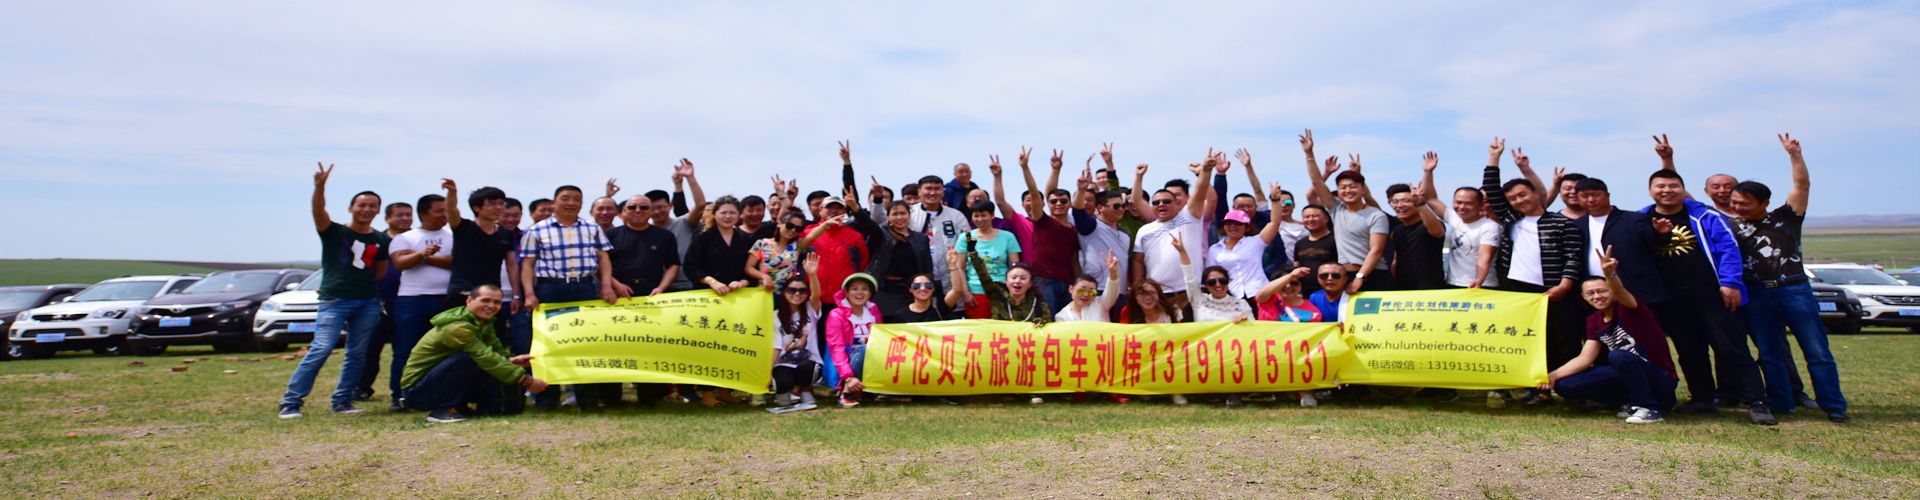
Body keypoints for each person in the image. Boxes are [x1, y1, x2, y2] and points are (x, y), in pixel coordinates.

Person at [1728, 133, 1848, 423]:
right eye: (1734, 202)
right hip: (1757, 294)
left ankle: (1833, 406)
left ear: (1764, 202)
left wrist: (1794, 155)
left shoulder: (1787, 217)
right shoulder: (1730, 225)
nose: (1738, 208)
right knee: (1770, 353)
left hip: (1794, 290)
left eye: (1744, 203)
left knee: (1817, 351)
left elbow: (1801, 186)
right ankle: (1783, 403)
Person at [1644, 167, 1772, 423]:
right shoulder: (1641, 219)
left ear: (1683, 189)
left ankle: (1757, 401)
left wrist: (1730, 283)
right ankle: (1703, 397)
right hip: (1672, 300)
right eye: (1661, 186)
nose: (1667, 191)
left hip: (1713, 295)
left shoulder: (1706, 216)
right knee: (1689, 350)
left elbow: (1728, 249)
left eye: (1673, 186)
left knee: (1731, 348)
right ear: (1650, 191)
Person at [280, 163, 389, 419]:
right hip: (335, 301)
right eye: (362, 205)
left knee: (357, 354)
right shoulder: (334, 232)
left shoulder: (381, 240)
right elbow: (318, 211)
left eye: (372, 206)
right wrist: (320, 187)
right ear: (351, 208)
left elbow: (380, 272)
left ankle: (342, 401)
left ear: (378, 210)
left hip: (367, 302)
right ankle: (291, 402)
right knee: (321, 349)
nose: (367, 209)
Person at [1481, 137, 1586, 379]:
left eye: (1523, 195)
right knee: (1528, 339)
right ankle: (1535, 386)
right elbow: (1491, 188)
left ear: (1536, 194)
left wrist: (1565, 285)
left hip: (1554, 289)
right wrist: (1494, 157)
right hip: (1518, 289)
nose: (1519, 201)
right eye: (1513, 199)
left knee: (1564, 337)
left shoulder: (1561, 222)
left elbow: (1573, 257)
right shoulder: (1511, 219)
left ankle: (1569, 385)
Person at [1540, 246, 1678, 424]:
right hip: (1626, 371)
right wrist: (1552, 376)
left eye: (1602, 291)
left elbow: (1620, 291)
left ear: (1612, 291)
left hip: (1659, 377)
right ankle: (1628, 402)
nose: (1597, 296)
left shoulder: (1629, 308)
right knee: (1565, 384)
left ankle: (1648, 407)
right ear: (1583, 297)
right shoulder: (1594, 320)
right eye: (1590, 293)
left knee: (1618, 356)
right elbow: (1585, 358)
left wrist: (1610, 274)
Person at [517, 184, 619, 411]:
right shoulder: (537, 230)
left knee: (586, 343)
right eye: (565, 198)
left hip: (584, 288)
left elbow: (603, 259)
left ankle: (587, 400)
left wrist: (606, 285)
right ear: (554, 202)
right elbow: (528, 265)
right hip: (549, 289)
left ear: (582, 204)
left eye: (576, 199)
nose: (571, 203)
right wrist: (529, 293)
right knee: (548, 344)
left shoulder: (592, 228)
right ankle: (547, 400)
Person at [397, 285, 548, 423]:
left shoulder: (483, 323)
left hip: (435, 383)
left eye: (497, 302)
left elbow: (496, 352)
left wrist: (511, 360)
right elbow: (485, 357)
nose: (491, 306)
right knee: (468, 359)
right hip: (416, 392)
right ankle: (441, 411)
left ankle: (458, 407)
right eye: (485, 300)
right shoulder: (457, 327)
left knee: (484, 365)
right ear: (469, 300)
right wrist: (526, 381)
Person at [438, 180, 525, 412]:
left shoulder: (505, 234)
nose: (499, 207)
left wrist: (516, 295)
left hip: (493, 301)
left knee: (491, 350)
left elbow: (511, 265)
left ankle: (489, 401)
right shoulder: (464, 227)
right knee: (460, 351)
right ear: (477, 207)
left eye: (501, 203)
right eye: (492, 203)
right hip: (461, 297)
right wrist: (452, 193)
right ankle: (455, 402)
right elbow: (451, 210)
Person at [605, 194, 681, 406]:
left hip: (651, 295)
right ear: (623, 211)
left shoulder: (664, 236)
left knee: (650, 347)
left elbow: (673, 265)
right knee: (614, 347)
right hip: (617, 296)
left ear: (651, 211)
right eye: (632, 207)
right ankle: (611, 398)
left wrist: (661, 288)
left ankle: (650, 397)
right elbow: (601, 265)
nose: (638, 211)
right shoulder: (611, 235)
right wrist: (615, 284)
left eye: (643, 207)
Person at [1301, 130, 1391, 293]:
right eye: (1343, 187)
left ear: (1363, 189)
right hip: (1345, 275)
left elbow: (1376, 250)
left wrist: (1360, 277)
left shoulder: (1376, 215)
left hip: (1373, 275)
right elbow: (1317, 182)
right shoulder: (1337, 209)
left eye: (1352, 187)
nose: (1347, 191)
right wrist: (1309, 154)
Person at [390, 193, 456, 412]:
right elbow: (400, 262)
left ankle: (436, 394)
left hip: (446, 298)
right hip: (412, 300)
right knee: (406, 349)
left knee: (443, 349)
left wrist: (424, 257)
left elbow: (456, 262)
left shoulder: (453, 236)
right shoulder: (405, 238)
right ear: (423, 213)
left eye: (446, 210)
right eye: (439, 211)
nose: (444, 215)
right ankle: (400, 395)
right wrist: (420, 253)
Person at [1129, 154, 1215, 316]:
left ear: (1177, 203)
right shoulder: (1145, 230)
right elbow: (1138, 261)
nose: (1161, 204)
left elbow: (1200, 191)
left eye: (1167, 201)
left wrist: (1205, 171)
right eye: (1156, 202)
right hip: (1156, 295)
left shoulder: (1190, 217)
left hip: (1189, 292)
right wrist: (1138, 177)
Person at [1173, 232, 1253, 407]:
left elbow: (1255, 330)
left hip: (1233, 354)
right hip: (1204, 353)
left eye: (1222, 280)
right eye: (1212, 282)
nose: (1218, 285)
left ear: (1228, 282)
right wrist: (1182, 251)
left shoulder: (1241, 303)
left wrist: (1245, 322)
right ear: (1206, 286)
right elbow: (1189, 277)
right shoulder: (1199, 300)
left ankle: (1233, 392)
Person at [1014, 148, 1083, 314]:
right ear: (1048, 204)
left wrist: (1078, 281)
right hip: (1044, 281)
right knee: (1046, 319)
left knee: (1067, 321)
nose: (1058, 204)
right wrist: (1025, 167)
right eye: (1053, 201)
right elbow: (1034, 193)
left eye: (1063, 201)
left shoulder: (1074, 230)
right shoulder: (1042, 221)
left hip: (1067, 283)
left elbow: (1074, 260)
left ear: (1070, 203)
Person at [356, 201, 412, 402]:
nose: (405, 218)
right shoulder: (377, 240)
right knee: (371, 347)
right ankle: (362, 387)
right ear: (388, 218)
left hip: (407, 301)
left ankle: (402, 390)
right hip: (378, 301)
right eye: (400, 215)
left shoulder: (416, 239)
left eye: (408, 214)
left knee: (404, 349)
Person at [1253, 267, 1325, 406]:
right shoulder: (1269, 300)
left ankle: (1306, 392)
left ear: (1301, 287)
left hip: (1296, 353)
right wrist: (1291, 275)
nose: (1288, 286)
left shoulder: (1313, 311)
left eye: (1294, 283)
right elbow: (1260, 295)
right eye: (1284, 283)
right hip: (1268, 351)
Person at [1208, 184, 1287, 303]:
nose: (1233, 227)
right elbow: (1210, 275)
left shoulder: (1256, 242)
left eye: (1238, 224)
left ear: (1247, 228)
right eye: (1229, 223)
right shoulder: (1214, 249)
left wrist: (1275, 200)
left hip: (1259, 294)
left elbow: (1274, 223)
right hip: (1230, 297)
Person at [1071, 168, 1133, 319]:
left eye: (1123, 206)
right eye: (1116, 206)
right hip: (1096, 290)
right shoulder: (1091, 226)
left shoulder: (1125, 235)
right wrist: (1081, 189)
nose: (1121, 209)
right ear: (1100, 208)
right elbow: (1078, 210)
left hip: (1121, 292)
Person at [770, 255, 824, 411]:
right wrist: (768, 372)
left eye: (802, 291)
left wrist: (812, 274)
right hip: (784, 362)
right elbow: (776, 346)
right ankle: (784, 392)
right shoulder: (776, 315)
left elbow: (816, 295)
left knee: (808, 367)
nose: (797, 294)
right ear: (784, 293)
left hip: (807, 362)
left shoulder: (810, 310)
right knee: (783, 382)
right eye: (792, 290)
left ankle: (805, 389)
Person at [643, 160, 707, 292]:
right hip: (654, 286)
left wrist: (690, 177)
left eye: (661, 207)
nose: (657, 212)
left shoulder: (683, 223)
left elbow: (700, 205)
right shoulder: (643, 231)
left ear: (670, 206)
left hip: (685, 283)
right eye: (652, 208)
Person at [864, 201, 934, 318]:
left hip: (913, 291)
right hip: (886, 291)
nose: (899, 217)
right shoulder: (882, 235)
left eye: (903, 213)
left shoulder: (921, 238)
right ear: (888, 217)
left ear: (909, 215)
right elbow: (866, 222)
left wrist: (927, 289)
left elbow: (927, 268)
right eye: (895, 214)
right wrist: (875, 200)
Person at [955, 197, 1022, 319]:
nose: (980, 219)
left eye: (983, 215)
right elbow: (959, 267)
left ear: (992, 215)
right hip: (976, 291)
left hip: (1002, 291)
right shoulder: (965, 237)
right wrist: (965, 292)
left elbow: (1015, 267)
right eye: (976, 216)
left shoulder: (1008, 237)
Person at [826, 273, 883, 408]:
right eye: (854, 289)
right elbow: (837, 348)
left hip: (871, 360)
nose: (859, 293)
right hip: (845, 362)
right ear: (846, 292)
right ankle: (846, 392)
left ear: (870, 293)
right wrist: (848, 376)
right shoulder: (836, 315)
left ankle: (868, 389)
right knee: (864, 349)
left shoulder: (874, 312)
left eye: (864, 289)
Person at [909, 174, 972, 293]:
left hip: (951, 278)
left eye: (937, 189)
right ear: (919, 191)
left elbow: (969, 244)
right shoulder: (909, 213)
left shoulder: (956, 216)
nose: (933, 193)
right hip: (919, 280)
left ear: (943, 192)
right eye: (928, 189)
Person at [1446, 185, 1501, 289]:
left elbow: (1484, 257)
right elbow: (1431, 199)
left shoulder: (1490, 226)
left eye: (1468, 203)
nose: (1462, 207)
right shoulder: (1453, 218)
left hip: (1482, 285)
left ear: (1480, 205)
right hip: (1453, 282)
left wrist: (1479, 281)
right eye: (1458, 202)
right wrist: (1428, 175)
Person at [1054, 252, 1123, 323]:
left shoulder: (1101, 304)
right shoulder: (1061, 316)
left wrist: (1113, 273)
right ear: (1071, 289)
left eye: (1092, 292)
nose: (1086, 294)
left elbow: (1112, 291)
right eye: (1082, 290)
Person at [748, 211, 806, 291]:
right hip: (766, 292)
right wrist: (764, 277)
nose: (793, 230)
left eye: (798, 228)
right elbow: (749, 268)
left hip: (789, 295)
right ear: (779, 223)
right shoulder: (762, 243)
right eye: (790, 226)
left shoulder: (796, 246)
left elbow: (814, 234)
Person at [1292, 205, 1339, 296]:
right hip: (1306, 294)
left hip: (1332, 292)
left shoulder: (1337, 240)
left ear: (1326, 219)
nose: (1310, 219)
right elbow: (1296, 267)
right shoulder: (1300, 243)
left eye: (1315, 216)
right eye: (1307, 217)